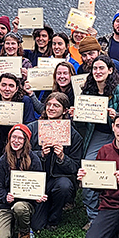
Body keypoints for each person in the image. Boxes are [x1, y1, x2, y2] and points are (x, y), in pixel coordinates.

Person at [74, 55, 119, 227]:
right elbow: (82, 123)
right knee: (89, 169)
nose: (98, 72)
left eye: (101, 68)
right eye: (95, 69)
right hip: (97, 134)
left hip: (118, 136)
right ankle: (92, 216)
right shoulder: (87, 91)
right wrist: (76, 114)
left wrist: (117, 116)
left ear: (110, 70)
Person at [27, 92, 82, 230]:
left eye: (56, 106)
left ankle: (54, 218)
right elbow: (21, 155)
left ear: (64, 110)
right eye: (49, 105)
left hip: (59, 180)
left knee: (63, 186)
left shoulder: (73, 134)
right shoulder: (33, 128)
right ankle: (39, 207)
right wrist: (40, 155)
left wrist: (62, 158)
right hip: (37, 180)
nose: (51, 108)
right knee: (37, 225)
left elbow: (75, 166)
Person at [0, 124, 46, 238]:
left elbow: (38, 184)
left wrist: (37, 196)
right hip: (6, 204)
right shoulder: (3, 160)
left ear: (26, 141)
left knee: (19, 207)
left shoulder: (34, 159)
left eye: (20, 138)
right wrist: (5, 196)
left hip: (25, 204)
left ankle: (24, 232)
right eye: (13, 137)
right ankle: (12, 224)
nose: (16, 141)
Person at [0, 73, 38, 155]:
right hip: (0, 143)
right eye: (4, 85)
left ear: (16, 89)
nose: (7, 89)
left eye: (11, 86)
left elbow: (30, 123)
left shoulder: (25, 101)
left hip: (19, 143)